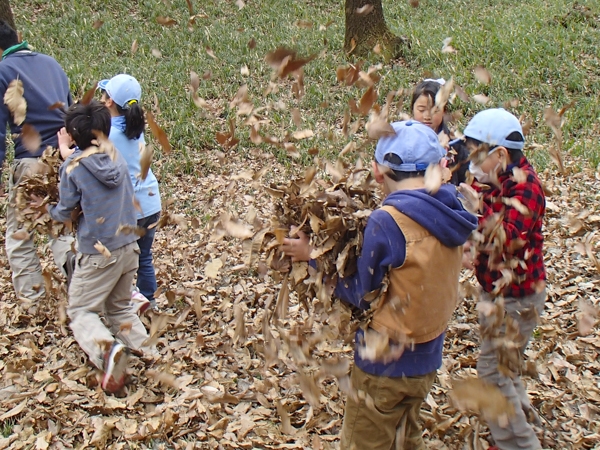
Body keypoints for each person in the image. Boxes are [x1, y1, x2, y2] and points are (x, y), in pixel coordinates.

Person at [282, 120, 478, 449]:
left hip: (383, 367)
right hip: (427, 359)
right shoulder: (453, 207)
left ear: (377, 171)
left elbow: (360, 294)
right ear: (439, 168)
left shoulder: (386, 222)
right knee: (405, 435)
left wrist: (311, 256)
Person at [44, 100, 150, 393]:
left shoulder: (72, 168)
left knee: (80, 310)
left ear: (72, 134)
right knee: (119, 308)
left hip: (99, 253)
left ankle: (107, 351)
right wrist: (70, 151)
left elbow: (64, 211)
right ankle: (150, 352)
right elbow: (86, 160)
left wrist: (45, 210)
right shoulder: (114, 155)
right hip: (130, 246)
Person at [463, 108, 546, 450]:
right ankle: (520, 421)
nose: (472, 166)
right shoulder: (493, 178)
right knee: (505, 368)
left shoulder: (527, 189)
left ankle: (518, 442)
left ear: (499, 155)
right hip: (496, 293)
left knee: (492, 373)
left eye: (476, 157)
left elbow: (507, 238)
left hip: (518, 298)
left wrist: (473, 213)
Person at [0, 19, 73, 301]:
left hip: (29, 162)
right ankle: (80, 285)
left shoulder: (3, 71)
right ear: (18, 37)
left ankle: (32, 302)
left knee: (20, 235)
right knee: (60, 226)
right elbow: (69, 109)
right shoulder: (51, 63)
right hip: (60, 156)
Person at [100, 74, 161, 311]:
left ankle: (129, 301)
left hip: (129, 208)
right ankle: (149, 300)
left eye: (103, 94)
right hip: (151, 203)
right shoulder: (136, 128)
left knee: (121, 260)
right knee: (144, 256)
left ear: (108, 102)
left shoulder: (108, 135)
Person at [411, 78, 469, 185]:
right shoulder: (404, 141)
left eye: (435, 110)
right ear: (412, 109)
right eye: (421, 110)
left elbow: (466, 176)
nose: (427, 116)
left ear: (444, 110)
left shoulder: (454, 144)